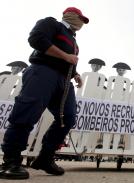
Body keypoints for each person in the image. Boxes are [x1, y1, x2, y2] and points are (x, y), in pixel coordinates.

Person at [0, 7, 89, 179]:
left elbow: (70, 61)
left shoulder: (73, 40)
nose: (81, 24)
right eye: (80, 19)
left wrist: (76, 74)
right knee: (27, 112)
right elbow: (36, 39)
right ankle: (11, 161)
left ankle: (45, 158)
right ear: (69, 15)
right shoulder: (51, 23)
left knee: (67, 117)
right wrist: (65, 56)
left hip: (64, 80)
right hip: (43, 72)